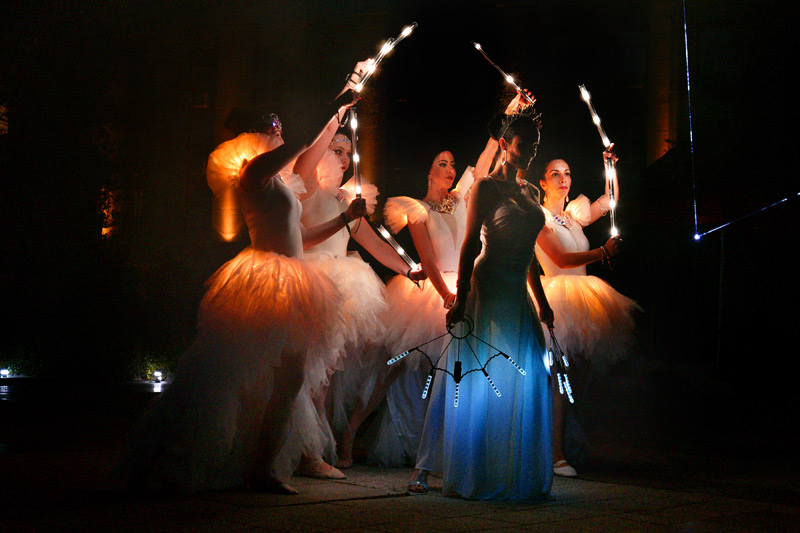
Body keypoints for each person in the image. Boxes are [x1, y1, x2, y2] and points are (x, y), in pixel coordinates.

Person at [113, 64, 369, 494]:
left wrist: (345, 218)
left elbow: (300, 235)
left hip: (292, 281)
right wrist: (337, 103)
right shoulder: (253, 174)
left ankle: (261, 467)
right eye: (275, 129)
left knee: (290, 378)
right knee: (226, 372)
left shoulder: (280, 182)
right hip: (264, 282)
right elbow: (306, 141)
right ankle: (175, 454)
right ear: (259, 136)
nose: (281, 134)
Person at [413, 103, 555, 500]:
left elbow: (530, 254)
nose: (531, 152)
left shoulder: (532, 191)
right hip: (488, 287)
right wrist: (460, 296)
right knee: (477, 376)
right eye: (525, 145)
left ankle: (507, 466)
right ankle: (460, 466)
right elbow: (470, 242)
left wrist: (541, 301)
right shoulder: (486, 187)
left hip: (517, 291)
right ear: (506, 144)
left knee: (524, 375)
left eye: (535, 146)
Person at [285, 120, 426, 468]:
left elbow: (374, 245)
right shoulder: (305, 188)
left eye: (348, 153)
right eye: (336, 150)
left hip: (341, 287)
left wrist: (408, 269)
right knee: (310, 373)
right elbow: (307, 163)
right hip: (312, 282)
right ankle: (305, 452)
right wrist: (335, 117)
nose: (345, 159)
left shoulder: (346, 200)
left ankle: (314, 450)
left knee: (328, 374)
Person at [335, 150, 477, 468]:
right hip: (431, 292)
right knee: (393, 365)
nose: (450, 169)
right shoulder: (417, 209)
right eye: (441, 164)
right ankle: (350, 433)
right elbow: (428, 260)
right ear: (428, 172)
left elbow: (483, 162)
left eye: (453, 164)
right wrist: (445, 295)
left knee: (457, 369)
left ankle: (451, 446)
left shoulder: (462, 199)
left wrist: (502, 129)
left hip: (463, 286)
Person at [533, 151, 639, 478]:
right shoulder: (538, 219)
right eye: (555, 174)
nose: (563, 179)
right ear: (542, 183)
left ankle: (568, 443)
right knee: (559, 380)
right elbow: (561, 259)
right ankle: (555, 455)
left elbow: (610, 200)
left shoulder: (574, 215)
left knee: (580, 381)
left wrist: (610, 166)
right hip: (557, 298)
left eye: (567, 173)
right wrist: (602, 252)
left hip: (584, 299)